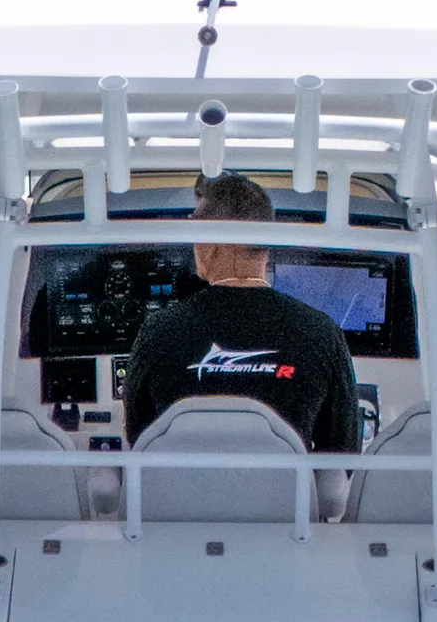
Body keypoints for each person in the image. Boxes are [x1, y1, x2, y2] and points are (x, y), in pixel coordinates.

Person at [123, 174, 360, 454]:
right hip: (285, 499)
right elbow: (341, 452)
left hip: (185, 497)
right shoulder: (322, 333)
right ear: (266, 242)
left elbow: (139, 438)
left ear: (209, 242)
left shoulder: (159, 331)